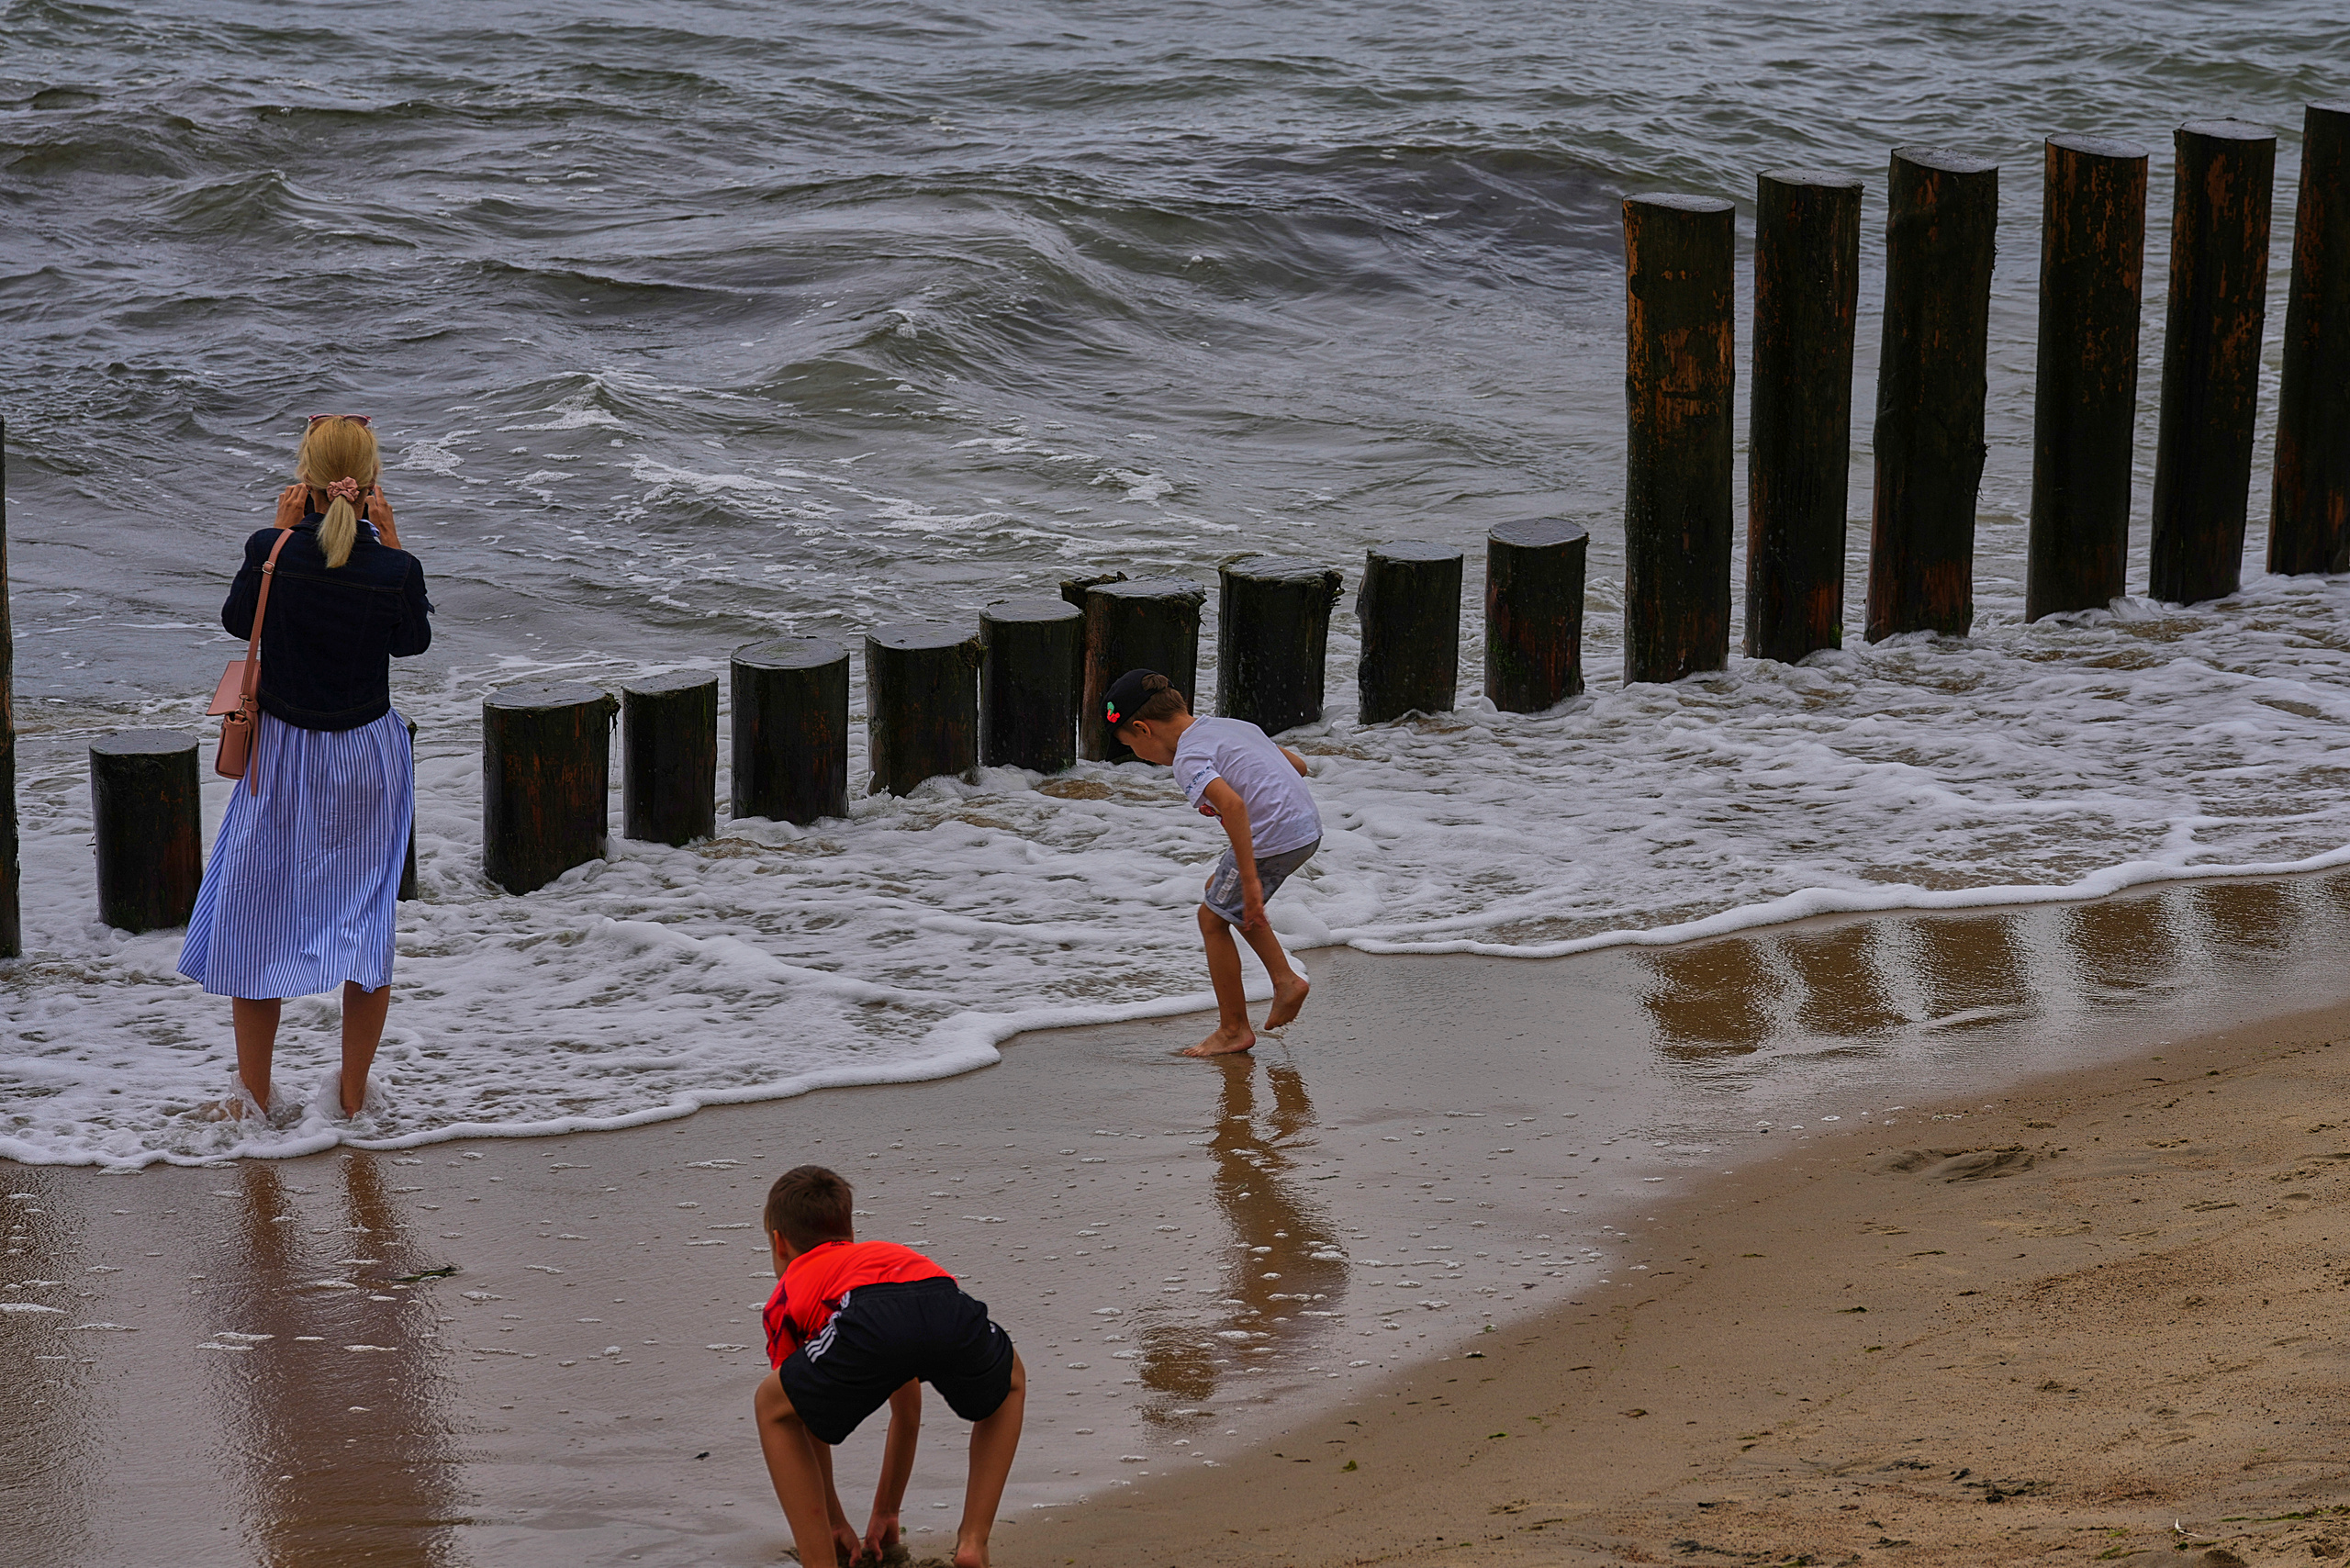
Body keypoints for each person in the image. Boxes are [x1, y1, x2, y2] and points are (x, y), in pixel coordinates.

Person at [179, 414, 432, 1122]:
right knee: (365, 919)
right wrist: (395, 538)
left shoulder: (274, 550)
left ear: (307, 480)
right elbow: (412, 642)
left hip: (286, 755)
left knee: (259, 915)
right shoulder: (392, 568)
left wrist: (277, 531)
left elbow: (239, 621)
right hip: (368, 756)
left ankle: (255, 1099)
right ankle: (353, 1098)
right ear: (372, 482)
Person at [754, 1165, 1024, 1568]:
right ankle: (973, 1542)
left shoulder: (789, 1289)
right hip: (938, 1293)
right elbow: (907, 1408)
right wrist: (887, 1511)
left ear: (779, 1243)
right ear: (848, 1231)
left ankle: (820, 1559)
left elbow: (802, 1416)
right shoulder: (878, 1256)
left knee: (772, 1406)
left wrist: (833, 1520)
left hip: (868, 1313)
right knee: (1011, 1382)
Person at [1105, 668, 1320, 1057]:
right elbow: (1299, 767)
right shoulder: (1231, 726)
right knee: (1218, 896)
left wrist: (1251, 880)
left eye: (1130, 747)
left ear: (1142, 729)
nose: (1141, 758)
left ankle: (1234, 1028)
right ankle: (1284, 979)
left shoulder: (1188, 758)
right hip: (1305, 829)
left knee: (1211, 918)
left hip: (1270, 837)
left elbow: (1234, 806)